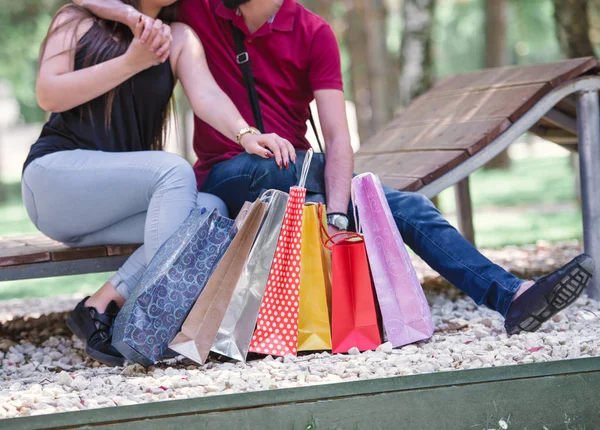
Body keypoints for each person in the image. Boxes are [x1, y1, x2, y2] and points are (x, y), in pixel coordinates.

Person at [77, 0, 595, 340]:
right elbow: (131, 5)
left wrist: (342, 211)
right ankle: (509, 294)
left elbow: (338, 132)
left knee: (397, 203)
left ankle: (512, 298)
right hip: (228, 173)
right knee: (326, 179)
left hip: (298, 177)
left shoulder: (313, 33)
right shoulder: (200, 9)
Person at [24, 0, 295, 366]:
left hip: (110, 207)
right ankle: (156, 322)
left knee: (209, 211)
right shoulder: (75, 20)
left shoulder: (179, 37)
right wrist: (131, 61)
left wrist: (246, 134)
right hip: (54, 182)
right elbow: (48, 94)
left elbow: (207, 96)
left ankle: (99, 306)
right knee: (173, 170)